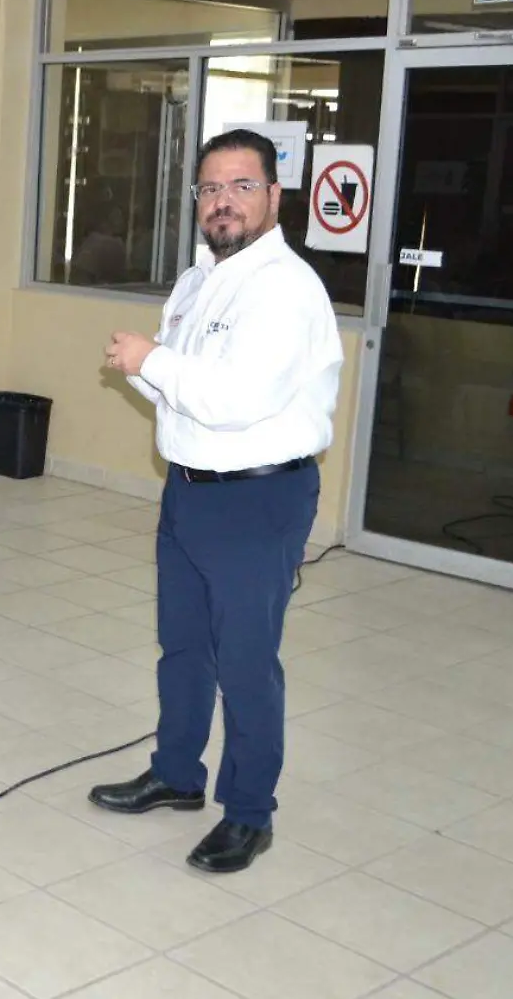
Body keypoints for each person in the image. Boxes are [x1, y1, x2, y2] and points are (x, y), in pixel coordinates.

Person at [89, 128, 342, 874]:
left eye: (240, 186)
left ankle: (250, 813)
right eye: (209, 188)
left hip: (257, 500)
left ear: (273, 196)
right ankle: (176, 773)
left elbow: (234, 400)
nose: (222, 201)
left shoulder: (286, 288)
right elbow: (178, 388)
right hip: (190, 491)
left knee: (246, 662)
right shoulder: (201, 278)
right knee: (184, 646)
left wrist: (152, 359)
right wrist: (146, 366)